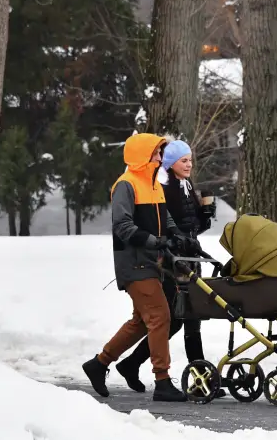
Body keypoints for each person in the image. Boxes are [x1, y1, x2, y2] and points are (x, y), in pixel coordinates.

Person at [81, 133, 194, 402]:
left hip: (151, 261)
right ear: (143, 156)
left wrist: (177, 235)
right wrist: (155, 241)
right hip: (133, 262)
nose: (160, 158)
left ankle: (99, 364)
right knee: (160, 316)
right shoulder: (126, 185)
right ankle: (163, 380)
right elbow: (122, 225)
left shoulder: (153, 184)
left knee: (141, 321)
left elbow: (163, 216)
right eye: (156, 153)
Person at [112, 139, 227, 397]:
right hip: (172, 258)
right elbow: (161, 223)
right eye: (183, 160)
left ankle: (134, 364)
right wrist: (169, 240)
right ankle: (188, 376)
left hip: (189, 254)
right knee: (176, 318)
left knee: (184, 317)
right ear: (171, 163)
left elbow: (189, 225)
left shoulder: (185, 186)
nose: (189, 165)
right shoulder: (161, 186)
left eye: (189, 160)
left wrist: (206, 214)